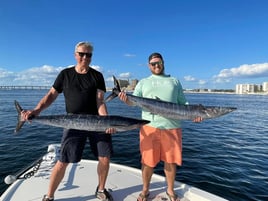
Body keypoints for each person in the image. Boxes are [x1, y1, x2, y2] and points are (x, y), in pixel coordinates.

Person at [22, 41, 115, 201]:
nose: (85, 57)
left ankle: (100, 190)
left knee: (105, 157)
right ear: (75, 55)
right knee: (63, 160)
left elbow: (100, 101)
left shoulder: (97, 76)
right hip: (72, 121)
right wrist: (36, 111)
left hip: (96, 122)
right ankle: (49, 196)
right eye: (82, 54)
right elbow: (51, 95)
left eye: (89, 55)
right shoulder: (65, 74)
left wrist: (106, 121)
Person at [119, 52, 202, 201]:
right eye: (153, 64)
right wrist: (126, 100)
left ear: (163, 63)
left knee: (170, 162)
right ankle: (145, 190)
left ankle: (170, 190)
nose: (156, 66)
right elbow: (133, 102)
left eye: (159, 63)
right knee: (147, 162)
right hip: (149, 128)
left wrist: (194, 114)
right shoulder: (143, 82)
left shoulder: (174, 81)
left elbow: (183, 103)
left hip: (172, 127)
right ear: (148, 66)